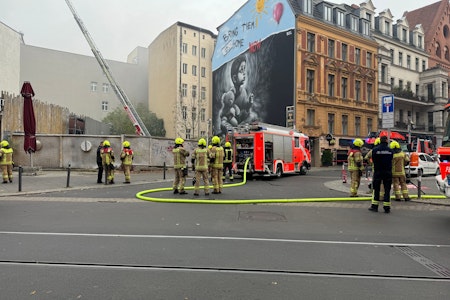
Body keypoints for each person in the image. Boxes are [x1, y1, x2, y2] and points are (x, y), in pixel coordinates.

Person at [220, 55, 256, 134]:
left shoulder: (243, 92)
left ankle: (241, 128)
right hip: (230, 118)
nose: (244, 74)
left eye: (244, 70)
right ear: (234, 78)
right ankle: (234, 130)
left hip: (239, 120)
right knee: (223, 122)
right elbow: (225, 111)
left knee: (252, 116)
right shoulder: (231, 94)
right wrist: (231, 112)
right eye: (241, 71)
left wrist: (249, 103)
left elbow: (246, 108)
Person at [369, 136, 394, 213]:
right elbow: (391, 160)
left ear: (380, 141)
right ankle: (387, 207)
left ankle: (375, 206)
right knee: (387, 190)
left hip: (378, 171)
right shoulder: (390, 150)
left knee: (376, 189)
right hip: (387, 172)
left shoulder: (375, 150)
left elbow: (373, 159)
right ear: (386, 141)